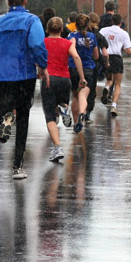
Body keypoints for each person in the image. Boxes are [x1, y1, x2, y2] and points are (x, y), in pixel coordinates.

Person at [0, 0, 49, 180]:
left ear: (8, 2)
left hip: (1, 74)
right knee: (24, 118)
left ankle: (5, 120)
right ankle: (18, 166)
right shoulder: (32, 21)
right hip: (24, 73)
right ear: (25, 1)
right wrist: (43, 66)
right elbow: (37, 45)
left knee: (2, 109)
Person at [42, 17, 85, 162]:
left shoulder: (43, 42)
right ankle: (64, 108)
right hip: (64, 79)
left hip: (49, 79)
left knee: (49, 116)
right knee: (62, 102)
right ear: (62, 29)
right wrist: (81, 77)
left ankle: (57, 148)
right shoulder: (67, 43)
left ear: (47, 29)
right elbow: (76, 57)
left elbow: (36, 58)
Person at [67, 13, 99, 134]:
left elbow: (70, 50)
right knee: (83, 96)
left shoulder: (72, 35)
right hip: (88, 69)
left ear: (76, 24)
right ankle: (82, 113)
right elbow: (96, 55)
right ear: (87, 25)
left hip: (73, 69)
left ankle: (76, 122)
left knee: (75, 96)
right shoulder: (92, 37)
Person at [98, 13, 131, 116]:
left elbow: (99, 41)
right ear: (121, 22)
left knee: (109, 79)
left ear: (112, 21)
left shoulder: (103, 30)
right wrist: (127, 49)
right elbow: (129, 50)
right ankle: (114, 105)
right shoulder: (123, 33)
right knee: (117, 84)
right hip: (117, 58)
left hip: (106, 57)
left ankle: (107, 88)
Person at [85, 12, 109, 121]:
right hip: (93, 65)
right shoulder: (98, 36)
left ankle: (79, 110)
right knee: (91, 89)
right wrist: (106, 63)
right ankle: (87, 113)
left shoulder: (81, 33)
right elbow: (104, 53)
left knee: (79, 90)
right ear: (97, 22)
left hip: (79, 64)